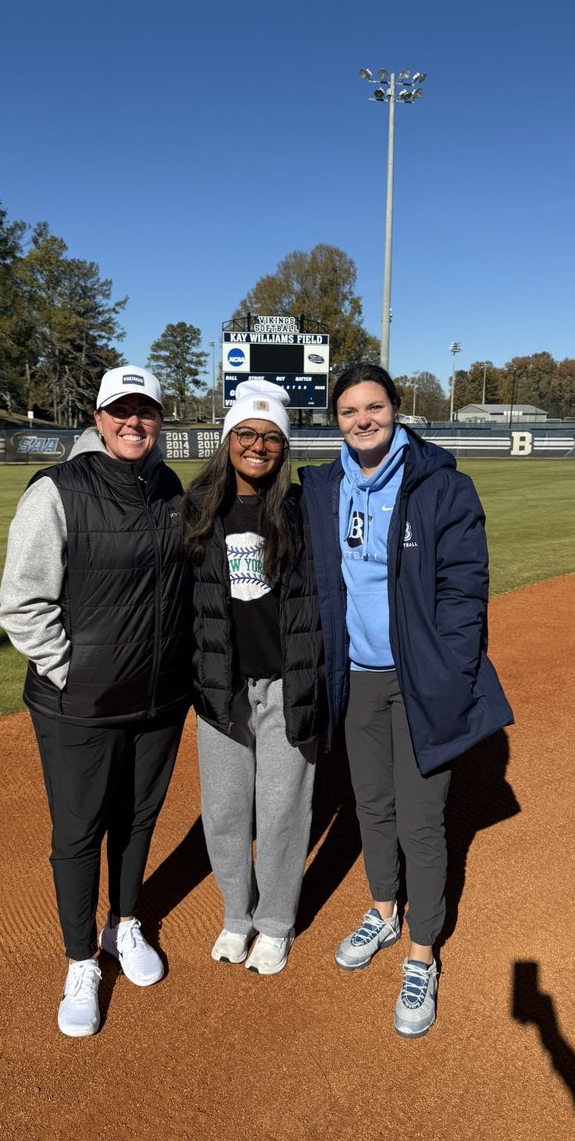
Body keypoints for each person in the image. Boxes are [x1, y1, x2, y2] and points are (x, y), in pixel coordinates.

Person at [301, 363, 512, 1037]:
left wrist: (448, 674)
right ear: (336, 420)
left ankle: (422, 952)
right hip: (356, 677)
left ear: (395, 409)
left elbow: (465, 590)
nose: (362, 420)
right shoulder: (323, 487)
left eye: (374, 407)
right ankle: (384, 910)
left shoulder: (441, 486)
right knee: (372, 804)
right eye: (348, 411)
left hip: (420, 679)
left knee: (421, 819)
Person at [0, 365, 192, 1038]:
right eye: (121, 410)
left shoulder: (170, 489)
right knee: (79, 831)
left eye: (146, 411)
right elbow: (22, 604)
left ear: (159, 419)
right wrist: (71, 673)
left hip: (158, 699)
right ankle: (81, 959)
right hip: (78, 703)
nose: (134, 422)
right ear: (99, 417)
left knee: (138, 819)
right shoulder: (56, 490)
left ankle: (123, 923)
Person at [182, 380, 327, 975]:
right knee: (223, 810)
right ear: (228, 439)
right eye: (246, 432)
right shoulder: (196, 508)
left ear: (284, 448)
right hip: (223, 686)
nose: (258, 445)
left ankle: (274, 923)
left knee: (282, 811)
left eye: (272, 437)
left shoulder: (303, 508)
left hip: (288, 683)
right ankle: (236, 915)